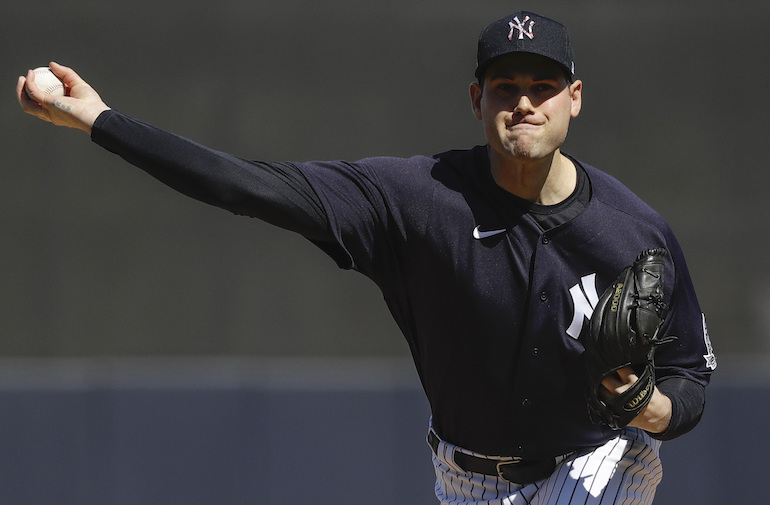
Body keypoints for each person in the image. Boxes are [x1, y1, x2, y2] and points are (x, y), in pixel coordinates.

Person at [17, 11, 716, 505]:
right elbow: (246, 185)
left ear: (575, 98)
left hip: (597, 464)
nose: (525, 102)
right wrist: (99, 120)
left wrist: (647, 405)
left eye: (543, 86)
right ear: (478, 99)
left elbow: (689, 380)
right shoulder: (416, 199)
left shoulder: (631, 233)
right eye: (507, 85)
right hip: (465, 478)